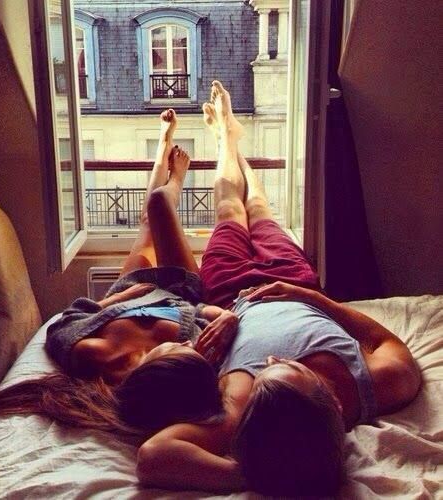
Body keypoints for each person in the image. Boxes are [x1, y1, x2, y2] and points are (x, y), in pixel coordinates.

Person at [135, 81, 422, 496]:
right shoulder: (377, 385)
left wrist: (260, 475)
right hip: (294, 282)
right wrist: (310, 297)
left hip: (231, 295)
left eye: (264, 370)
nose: (272, 357)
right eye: (289, 367)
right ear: (333, 402)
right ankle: (233, 139)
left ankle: (225, 142)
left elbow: (154, 456)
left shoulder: (244, 412)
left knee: (230, 209)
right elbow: (385, 341)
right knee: (260, 209)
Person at [0, 109, 238, 437]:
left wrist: (119, 298)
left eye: (179, 348)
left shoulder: (93, 355)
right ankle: (174, 179)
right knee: (160, 204)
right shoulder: (189, 365)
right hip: (178, 288)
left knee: (147, 222)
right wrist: (230, 319)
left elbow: (63, 322)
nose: (185, 345)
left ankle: (163, 147)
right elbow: (203, 312)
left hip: (129, 290)